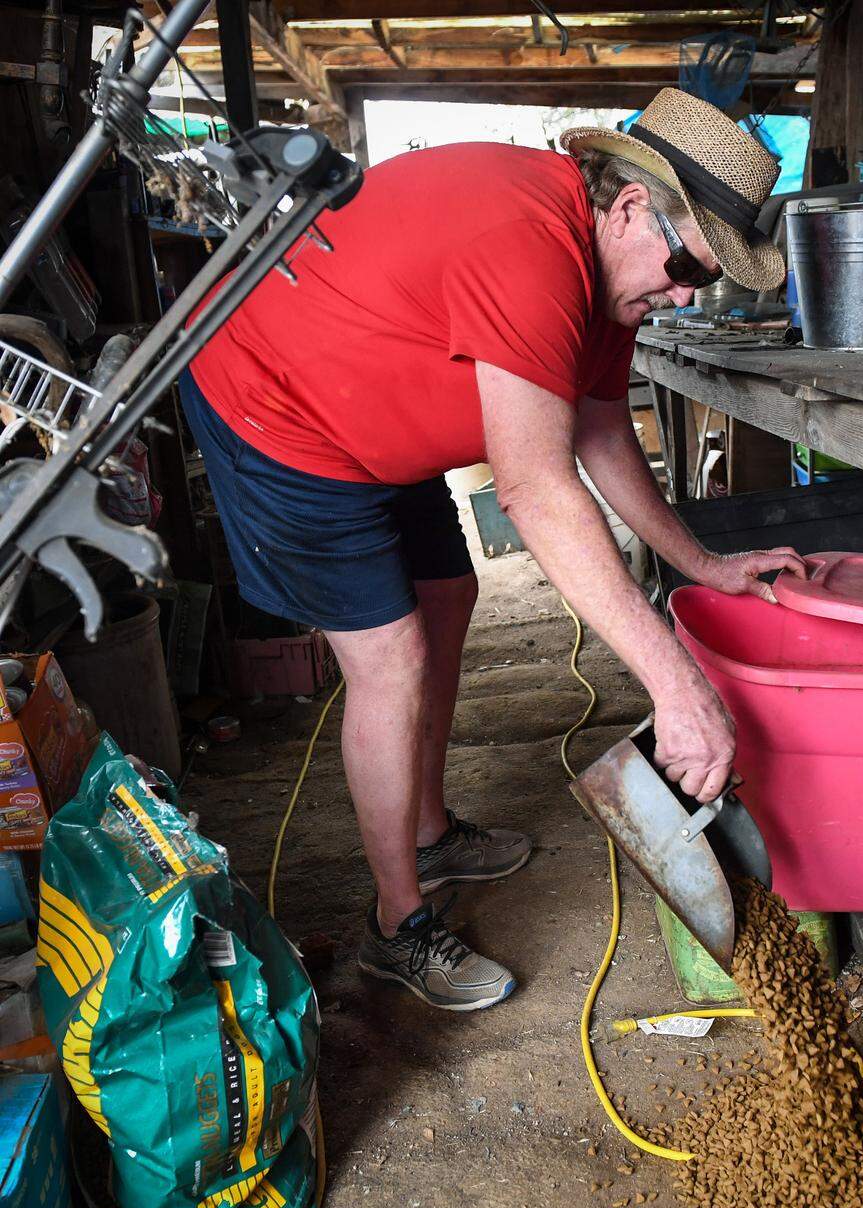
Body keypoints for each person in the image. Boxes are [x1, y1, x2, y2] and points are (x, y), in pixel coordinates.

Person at [180, 87, 806, 1013]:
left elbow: (601, 435)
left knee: (449, 598)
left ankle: (427, 834)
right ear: (630, 204)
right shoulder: (530, 246)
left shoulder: (603, 276)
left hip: (374, 411)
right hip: (276, 406)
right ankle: (398, 925)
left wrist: (701, 563)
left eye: (701, 282)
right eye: (683, 264)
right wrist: (678, 690)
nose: (681, 294)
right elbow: (536, 489)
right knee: (391, 656)